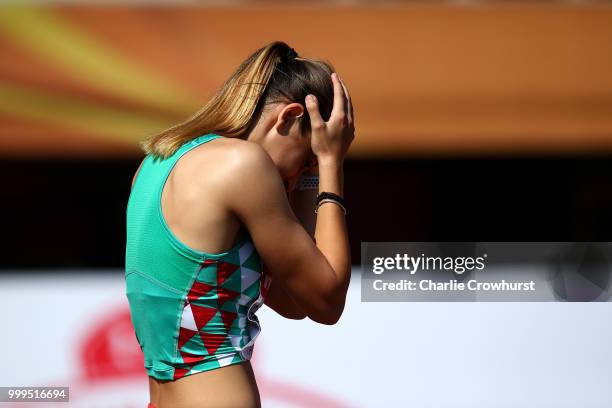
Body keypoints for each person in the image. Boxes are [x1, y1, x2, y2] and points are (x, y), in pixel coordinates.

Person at [125, 40, 354, 408]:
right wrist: (331, 166)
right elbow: (326, 301)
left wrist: (307, 174)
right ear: (289, 117)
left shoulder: (158, 161)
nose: (300, 175)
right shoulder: (243, 164)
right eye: (306, 159)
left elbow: (295, 300)